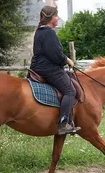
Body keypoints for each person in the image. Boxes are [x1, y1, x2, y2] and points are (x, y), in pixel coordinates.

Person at [30, 5, 81, 135]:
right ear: (51, 18)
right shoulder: (49, 33)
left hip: (38, 68)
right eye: (56, 16)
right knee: (70, 91)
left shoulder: (39, 31)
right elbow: (56, 56)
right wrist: (68, 61)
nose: (58, 18)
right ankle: (64, 123)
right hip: (49, 69)